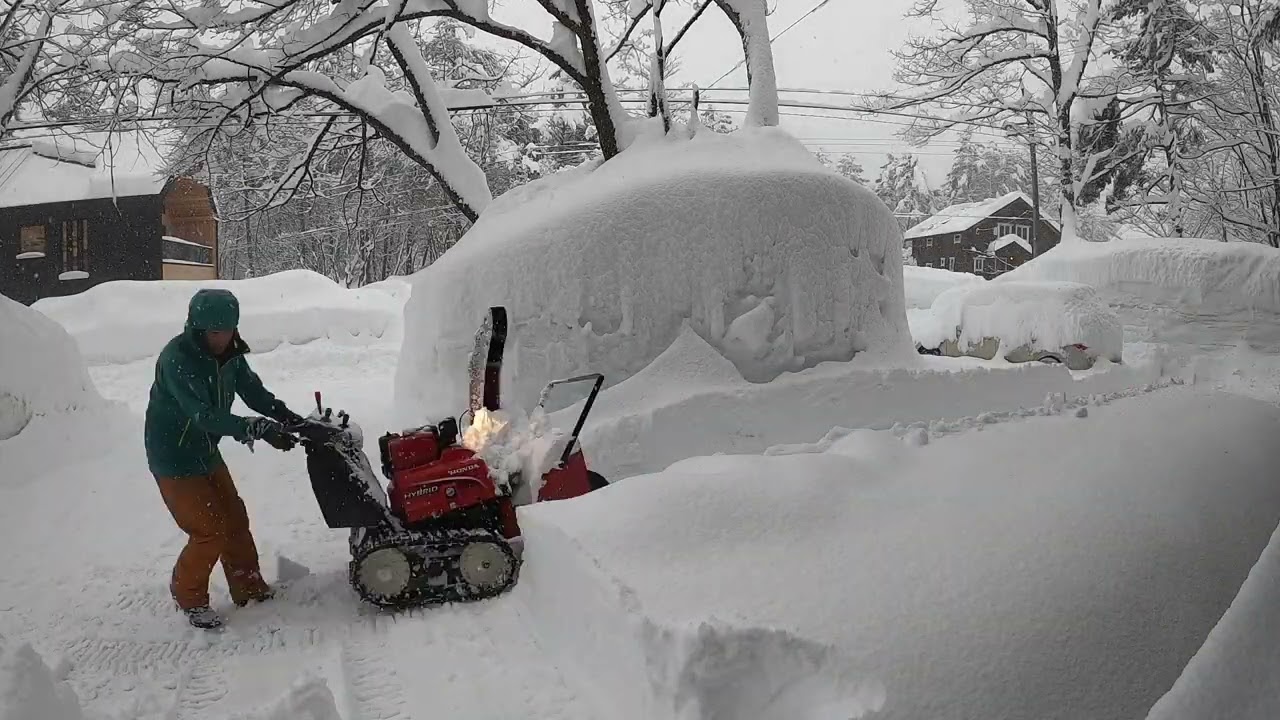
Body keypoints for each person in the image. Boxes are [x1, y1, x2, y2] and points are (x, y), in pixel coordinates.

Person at [144, 288, 304, 629]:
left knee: (234, 517)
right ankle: (188, 596)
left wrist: (285, 415)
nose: (221, 339)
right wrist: (258, 429)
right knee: (208, 530)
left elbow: (251, 389)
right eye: (214, 332)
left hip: (204, 449)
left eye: (227, 331)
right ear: (197, 328)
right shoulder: (178, 360)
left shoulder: (230, 354)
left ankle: (248, 585)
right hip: (173, 456)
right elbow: (203, 415)